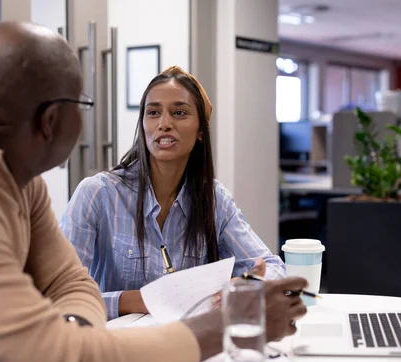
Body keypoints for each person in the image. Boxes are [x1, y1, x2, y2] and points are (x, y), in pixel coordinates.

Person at [0, 21, 308, 362]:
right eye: (83, 104)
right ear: (52, 120)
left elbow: (68, 283)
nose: (163, 125)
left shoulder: (17, 183)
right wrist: (226, 323)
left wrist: (75, 333)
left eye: (179, 114)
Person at [59, 65, 286, 320]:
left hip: (188, 344)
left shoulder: (214, 200)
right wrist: (137, 300)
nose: (164, 124)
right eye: (153, 112)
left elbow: (274, 269)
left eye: (179, 113)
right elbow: (60, 295)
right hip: (113, 347)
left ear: (201, 130)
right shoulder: (97, 194)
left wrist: (247, 287)